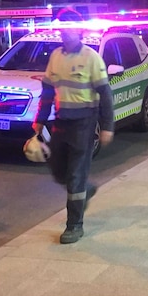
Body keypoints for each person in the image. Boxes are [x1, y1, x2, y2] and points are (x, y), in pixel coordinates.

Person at [33, 18, 115, 244]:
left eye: (68, 28)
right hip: (61, 122)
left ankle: (74, 226)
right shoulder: (56, 57)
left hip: (84, 124)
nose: (64, 32)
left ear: (79, 30)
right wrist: (39, 120)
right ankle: (86, 190)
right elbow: (48, 91)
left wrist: (108, 126)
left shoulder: (91, 57)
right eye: (61, 28)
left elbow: (105, 94)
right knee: (58, 170)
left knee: (75, 175)